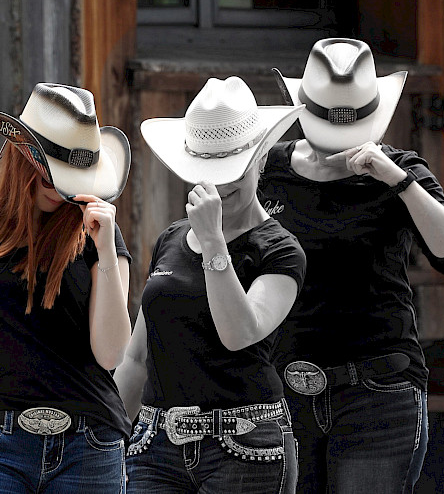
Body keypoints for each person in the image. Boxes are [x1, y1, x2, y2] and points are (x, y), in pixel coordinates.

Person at [264, 38, 444, 493]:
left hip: (378, 392)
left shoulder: (400, 171)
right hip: (283, 391)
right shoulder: (270, 170)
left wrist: (396, 180)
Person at [0, 83, 133, 494]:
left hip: (89, 443)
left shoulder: (100, 237)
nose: (58, 184)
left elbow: (111, 354)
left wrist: (105, 250)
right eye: (50, 167)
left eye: (70, 172)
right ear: (21, 155)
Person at [114, 76, 306, 493]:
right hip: (155, 443)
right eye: (209, 171)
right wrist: (108, 435)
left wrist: (214, 242)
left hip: (246, 445)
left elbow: (240, 333)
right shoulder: (170, 238)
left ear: (260, 159)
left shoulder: (281, 250)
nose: (221, 185)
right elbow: (137, 356)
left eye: (233, 170)